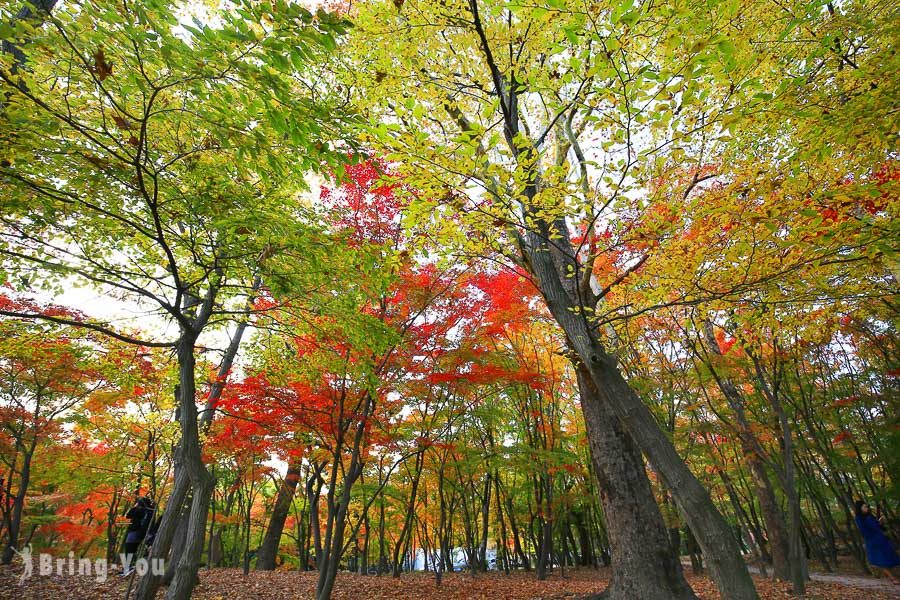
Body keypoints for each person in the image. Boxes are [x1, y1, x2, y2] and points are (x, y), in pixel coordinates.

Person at [854, 500, 899, 584]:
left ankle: (889, 576)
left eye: (866, 506)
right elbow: (865, 530)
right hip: (873, 541)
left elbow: (876, 526)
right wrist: (876, 526)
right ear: (859, 509)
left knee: (890, 556)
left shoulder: (869, 516)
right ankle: (892, 578)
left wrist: (879, 523)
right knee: (881, 559)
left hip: (881, 539)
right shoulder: (859, 518)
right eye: (864, 507)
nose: (867, 508)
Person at [122, 496, 155, 575]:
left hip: (135, 532)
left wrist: (135, 507)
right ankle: (131, 567)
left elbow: (128, 515)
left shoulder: (139, 511)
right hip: (144, 533)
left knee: (129, 549)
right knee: (134, 550)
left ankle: (127, 568)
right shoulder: (150, 511)